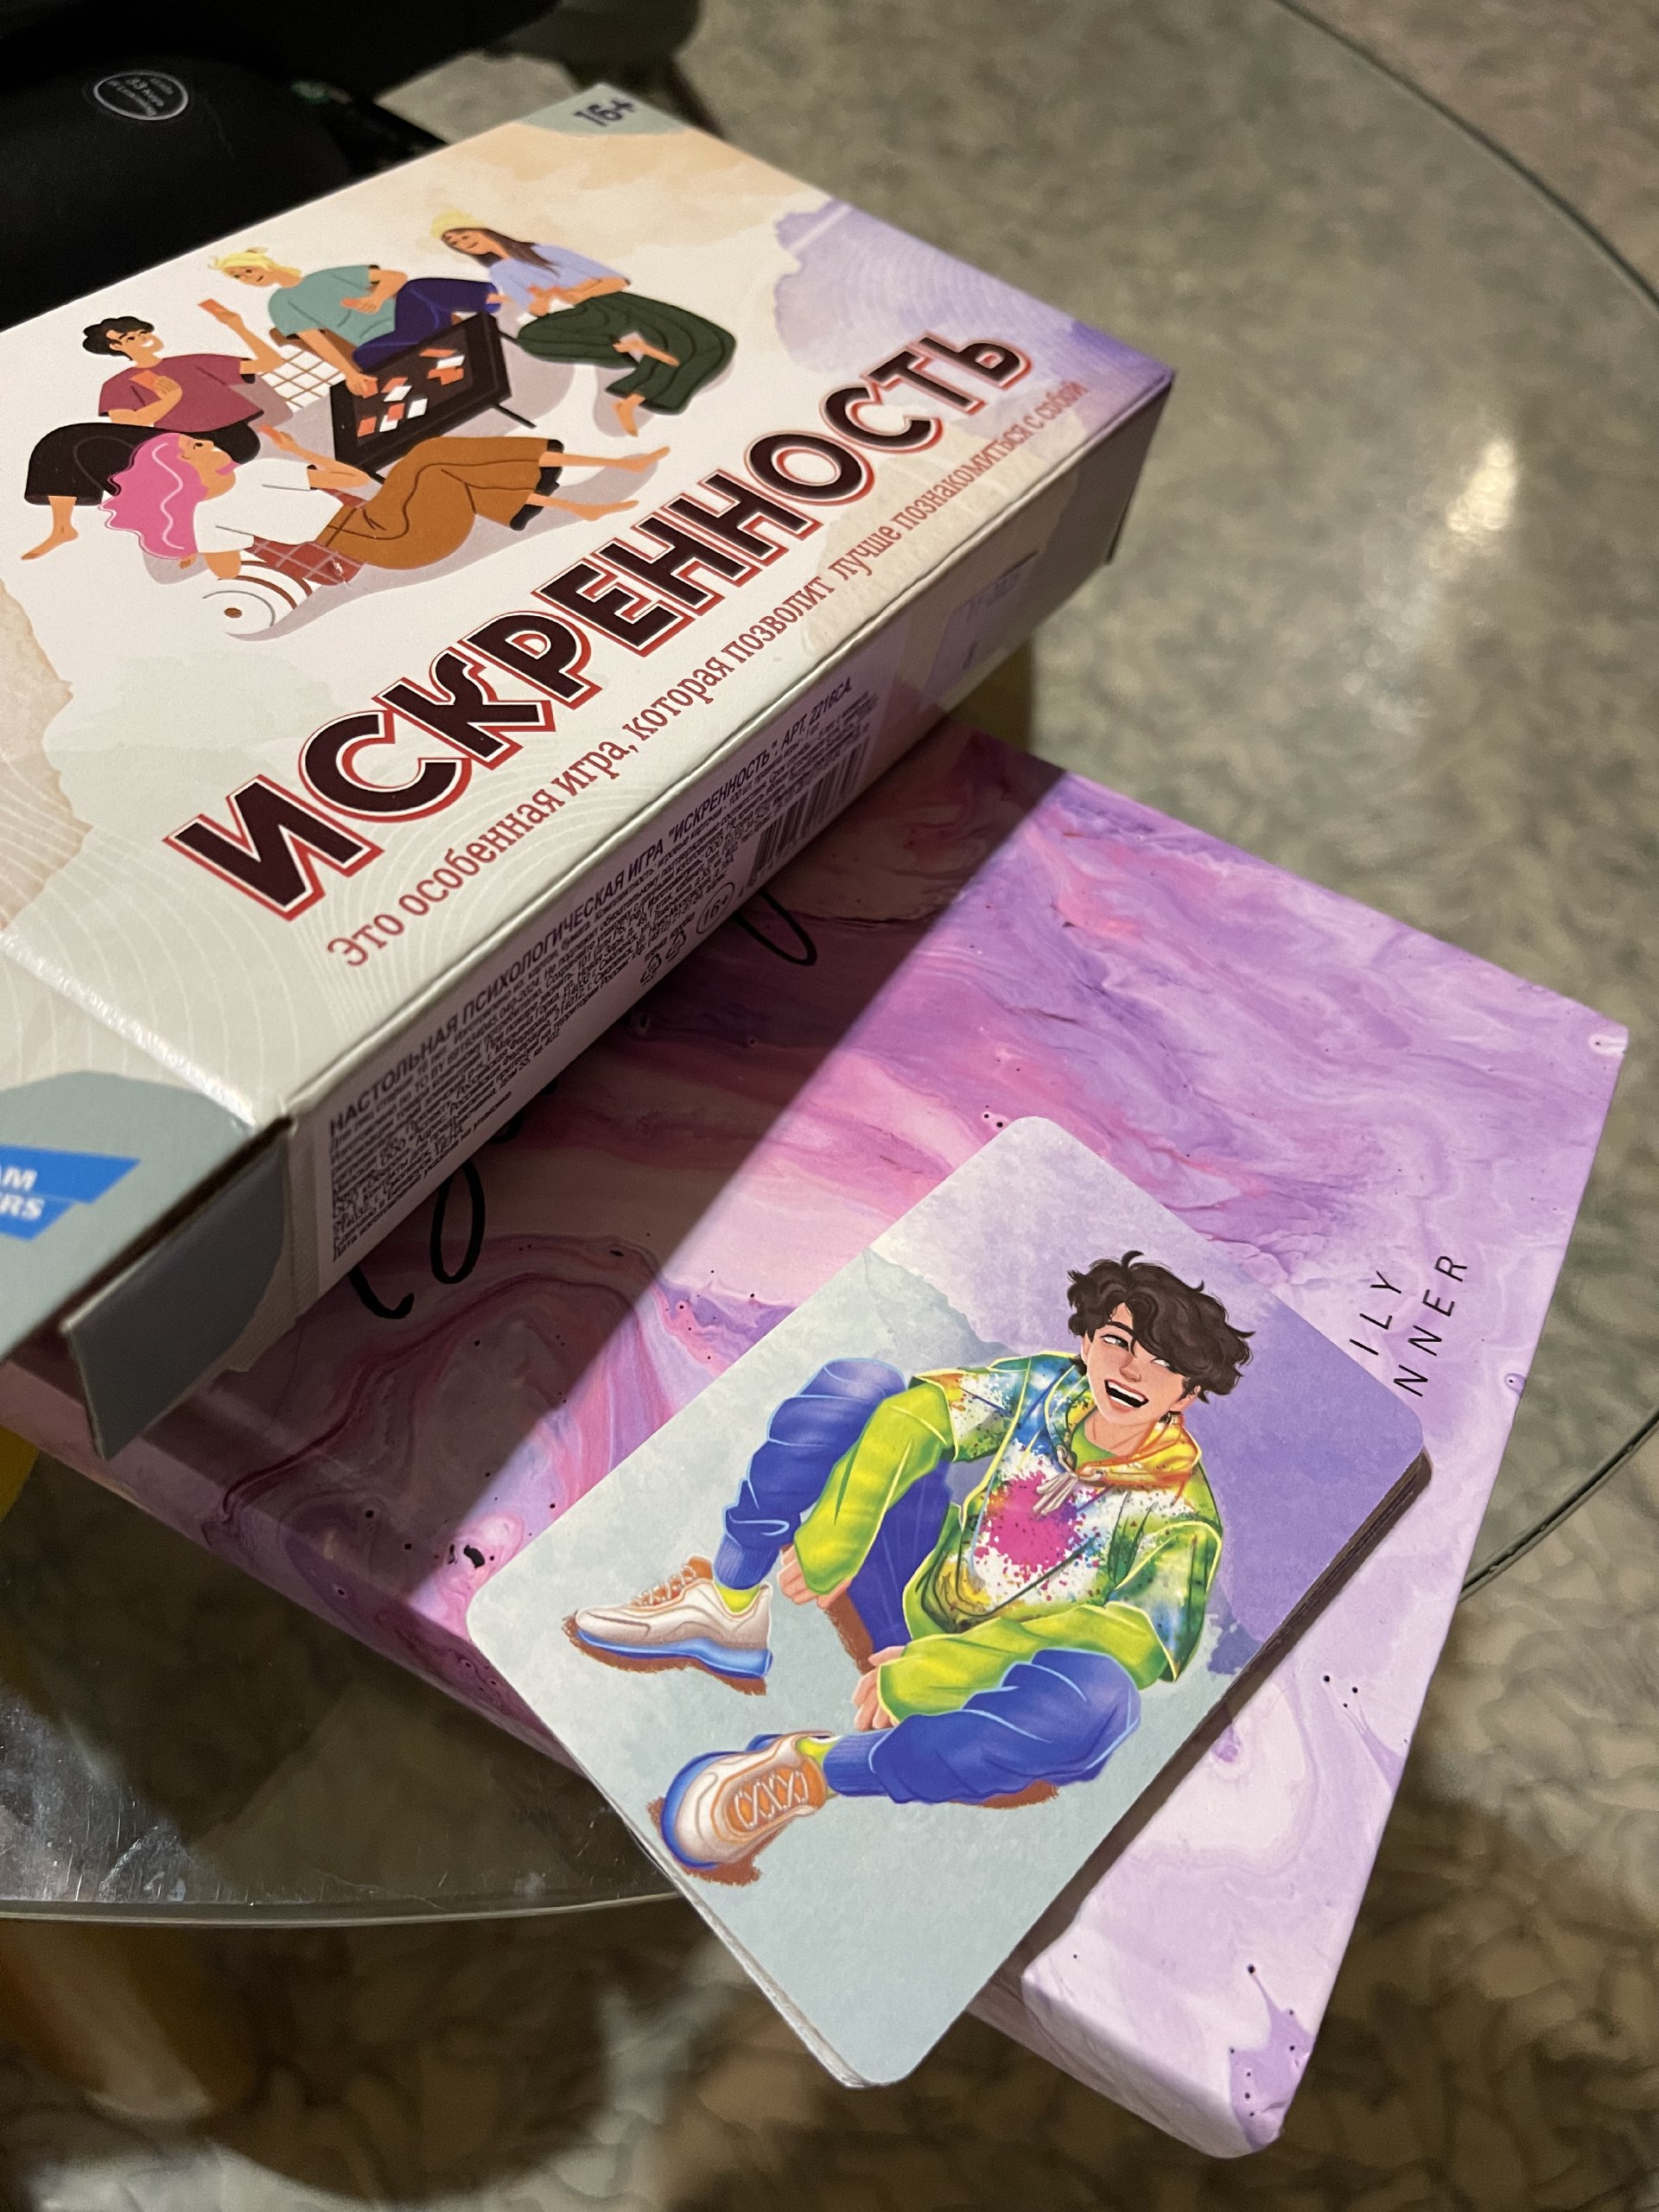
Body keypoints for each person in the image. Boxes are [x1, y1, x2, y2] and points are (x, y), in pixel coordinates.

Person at [569, 1252, 1251, 1882]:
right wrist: (836, 1537)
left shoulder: (1183, 1515)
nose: (1130, 1371)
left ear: (1186, 1393)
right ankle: (729, 1603)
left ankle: (816, 1768)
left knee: (1107, 1701)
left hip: (991, 1686)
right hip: (913, 1593)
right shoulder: (1048, 1387)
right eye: (1118, 1342)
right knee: (862, 1387)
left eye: (1160, 1363)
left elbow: (1133, 1641)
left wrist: (940, 1670)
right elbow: (921, 1417)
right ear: (1088, 1341)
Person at [100, 425, 665, 582]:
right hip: (383, 544)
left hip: (374, 516)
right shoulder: (208, 516)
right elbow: (228, 569)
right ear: (180, 472)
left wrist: (299, 453)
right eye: (195, 448)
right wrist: (200, 552)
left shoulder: (260, 473)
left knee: (433, 455)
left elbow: (352, 479)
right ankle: (588, 492)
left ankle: (597, 485)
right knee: (438, 465)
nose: (208, 444)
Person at [438, 220, 735, 435]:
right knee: (532, 338)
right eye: (456, 244)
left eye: (463, 236)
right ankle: (623, 351)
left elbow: (615, 281)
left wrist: (580, 292)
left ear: (482, 231)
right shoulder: (500, 272)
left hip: (612, 303)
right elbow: (537, 310)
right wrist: (543, 298)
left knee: (699, 341)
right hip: (582, 314)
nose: (463, 243)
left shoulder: (541, 251)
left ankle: (635, 392)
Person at [209, 249, 497, 392]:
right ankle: (440, 357)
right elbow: (316, 341)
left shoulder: (325, 277)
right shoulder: (280, 304)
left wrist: (378, 298)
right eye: (239, 277)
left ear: (262, 263)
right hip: (384, 346)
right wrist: (350, 373)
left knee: (416, 287)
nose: (247, 278)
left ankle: (496, 299)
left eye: (247, 270)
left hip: (417, 324)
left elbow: (395, 277)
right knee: (364, 356)